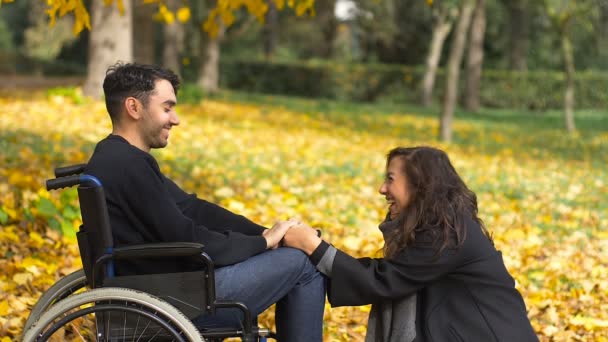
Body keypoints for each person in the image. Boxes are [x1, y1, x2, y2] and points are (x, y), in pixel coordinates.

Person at [84, 62, 324, 341]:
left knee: (289, 253)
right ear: (134, 108)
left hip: (158, 286)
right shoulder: (127, 165)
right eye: (167, 108)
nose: (175, 119)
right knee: (303, 264)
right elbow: (187, 236)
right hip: (170, 299)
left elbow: (192, 208)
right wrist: (263, 244)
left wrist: (266, 233)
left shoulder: (117, 157)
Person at [283, 146, 538, 341]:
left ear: (420, 186)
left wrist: (314, 247)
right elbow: (391, 274)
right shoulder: (436, 226)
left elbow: (384, 280)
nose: (382, 189)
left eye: (391, 179)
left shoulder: (447, 233)